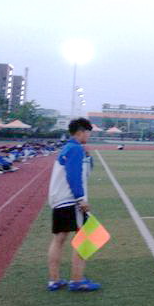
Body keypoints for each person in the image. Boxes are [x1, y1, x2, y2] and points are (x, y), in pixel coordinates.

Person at [47, 118, 101, 291]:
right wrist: (80, 199)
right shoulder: (76, 149)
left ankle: (54, 280)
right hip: (71, 200)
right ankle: (77, 280)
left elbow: (83, 172)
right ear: (81, 132)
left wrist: (88, 157)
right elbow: (73, 176)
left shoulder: (69, 148)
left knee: (59, 239)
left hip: (59, 199)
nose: (89, 135)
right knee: (87, 237)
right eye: (88, 132)